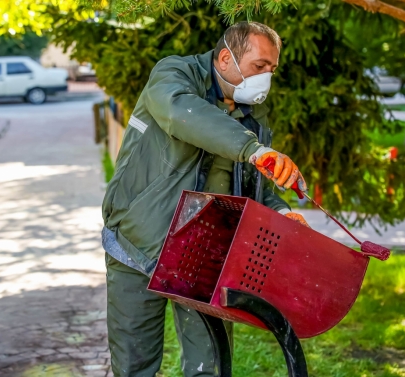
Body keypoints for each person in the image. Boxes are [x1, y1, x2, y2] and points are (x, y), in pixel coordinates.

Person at [101, 21, 309, 377]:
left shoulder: (252, 113)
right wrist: (253, 149)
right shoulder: (174, 75)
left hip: (204, 257)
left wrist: (281, 214)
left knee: (209, 367)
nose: (267, 78)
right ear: (226, 58)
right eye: (260, 67)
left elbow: (250, 185)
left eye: (272, 70)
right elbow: (182, 113)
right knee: (134, 367)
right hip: (137, 241)